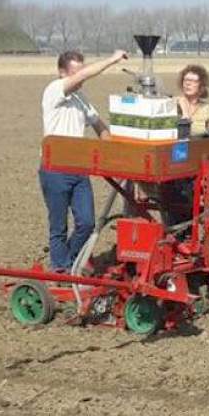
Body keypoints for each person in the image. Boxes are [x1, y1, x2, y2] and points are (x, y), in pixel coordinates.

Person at [40, 49, 127, 272]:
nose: (81, 77)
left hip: (78, 169)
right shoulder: (54, 90)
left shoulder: (81, 99)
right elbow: (82, 77)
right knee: (58, 225)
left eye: (82, 69)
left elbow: (99, 125)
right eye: (75, 72)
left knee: (87, 223)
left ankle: (66, 262)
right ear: (62, 73)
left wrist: (116, 152)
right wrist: (111, 59)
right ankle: (61, 269)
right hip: (55, 168)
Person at [176, 64, 209, 135]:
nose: (188, 83)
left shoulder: (205, 108)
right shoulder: (173, 104)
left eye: (193, 81)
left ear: (201, 85)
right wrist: (184, 112)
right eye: (185, 80)